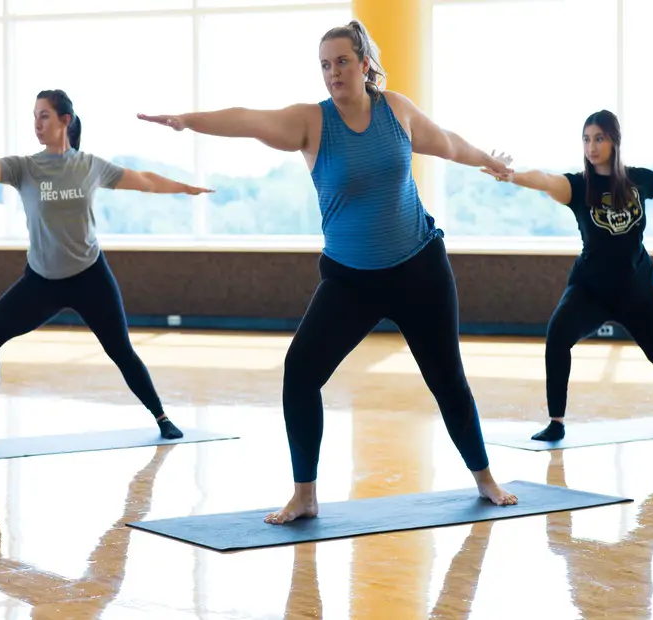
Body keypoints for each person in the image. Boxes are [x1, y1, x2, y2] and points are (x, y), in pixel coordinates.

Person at [138, 20, 519, 524]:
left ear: (364, 64)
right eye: (324, 65)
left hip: (419, 268)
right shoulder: (310, 123)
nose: (332, 73)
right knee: (300, 374)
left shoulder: (396, 110)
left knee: (447, 379)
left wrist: (488, 161)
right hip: (351, 279)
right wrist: (188, 119)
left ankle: (485, 478)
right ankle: (305, 495)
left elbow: (446, 143)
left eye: (341, 61)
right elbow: (249, 119)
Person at [0, 89, 211, 453]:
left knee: (120, 350)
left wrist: (185, 188)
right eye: (34, 116)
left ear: (65, 120)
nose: (37, 124)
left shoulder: (90, 166)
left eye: (44, 116)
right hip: (42, 280)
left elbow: (146, 181)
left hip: (90, 276)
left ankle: (162, 418)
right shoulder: (25, 168)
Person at [482, 110, 653, 442]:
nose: (592, 146)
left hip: (638, 289)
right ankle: (556, 422)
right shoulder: (577, 186)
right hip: (590, 289)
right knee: (557, 336)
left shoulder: (638, 180)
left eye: (600, 138)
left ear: (614, 141)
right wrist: (511, 175)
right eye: (587, 139)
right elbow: (544, 180)